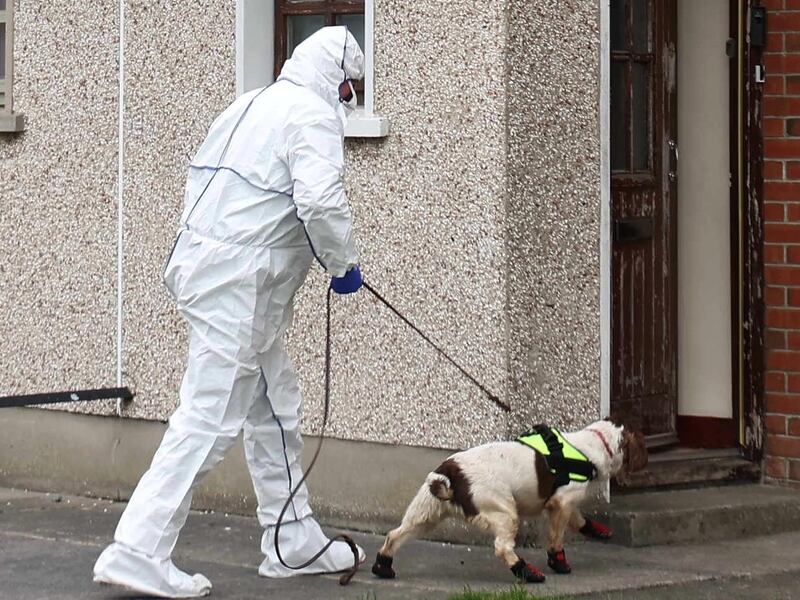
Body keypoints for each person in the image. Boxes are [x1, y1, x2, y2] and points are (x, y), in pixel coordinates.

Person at [93, 26, 366, 598]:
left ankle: (292, 540)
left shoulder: (251, 103)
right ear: (334, 80)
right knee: (209, 416)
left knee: (273, 406)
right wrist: (341, 262)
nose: (349, 101)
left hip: (215, 275)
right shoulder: (310, 115)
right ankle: (139, 547)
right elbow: (318, 200)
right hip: (240, 288)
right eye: (349, 90)